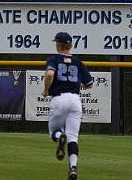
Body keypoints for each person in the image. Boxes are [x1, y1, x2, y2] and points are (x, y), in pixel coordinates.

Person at [43, 31, 93, 180]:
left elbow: (50, 74)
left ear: (58, 45)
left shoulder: (54, 59)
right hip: (75, 100)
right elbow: (89, 84)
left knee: (53, 132)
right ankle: (73, 167)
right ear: (70, 45)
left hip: (59, 98)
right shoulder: (78, 62)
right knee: (73, 138)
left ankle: (60, 137)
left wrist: (46, 90)